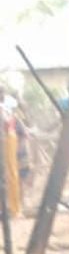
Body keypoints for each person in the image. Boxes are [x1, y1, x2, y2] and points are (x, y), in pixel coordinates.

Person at [0, 90, 20, 218]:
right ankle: (13, 208)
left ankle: (13, 208)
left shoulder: (5, 108)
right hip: (8, 137)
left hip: (7, 138)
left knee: (11, 173)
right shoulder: (7, 108)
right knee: (10, 173)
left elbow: (8, 124)